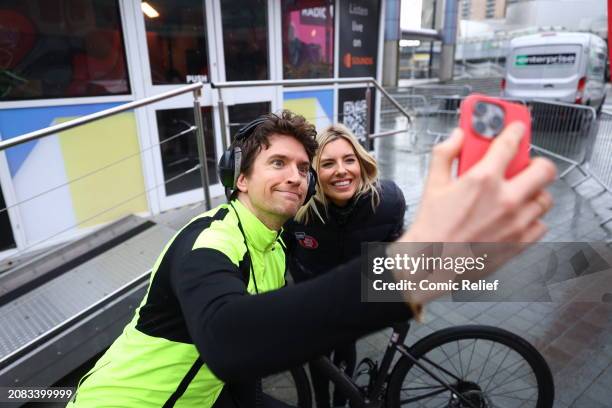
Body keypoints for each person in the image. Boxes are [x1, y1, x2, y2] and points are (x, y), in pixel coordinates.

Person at [67, 111, 555, 408]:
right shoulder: (209, 241)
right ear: (240, 179)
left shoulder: (276, 243)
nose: (296, 177)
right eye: (277, 163)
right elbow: (229, 339)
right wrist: (416, 265)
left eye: (303, 167)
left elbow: (246, 364)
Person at [282, 124, 406, 408]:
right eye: (328, 163)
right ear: (313, 173)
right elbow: (282, 254)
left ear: (361, 163)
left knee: (345, 352)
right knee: (318, 361)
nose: (341, 170)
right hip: (312, 302)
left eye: (349, 160)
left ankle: (342, 403)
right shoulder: (296, 210)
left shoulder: (388, 201)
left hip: (353, 301)